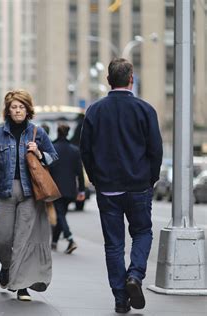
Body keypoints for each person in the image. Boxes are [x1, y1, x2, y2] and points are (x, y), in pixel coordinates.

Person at [80, 58, 163, 314]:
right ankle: (135, 276)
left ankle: (120, 298)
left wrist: (95, 178)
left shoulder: (95, 111)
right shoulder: (145, 110)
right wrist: (151, 179)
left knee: (114, 245)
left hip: (108, 189)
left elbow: (85, 150)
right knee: (142, 232)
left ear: (108, 80)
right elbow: (155, 150)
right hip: (138, 186)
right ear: (131, 79)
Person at [0, 89, 58, 301]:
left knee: (23, 241)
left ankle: (21, 286)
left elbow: (53, 157)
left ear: (28, 109)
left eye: (21, 107)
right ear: (8, 111)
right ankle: (5, 266)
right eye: (14, 107)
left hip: (30, 194)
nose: (18, 110)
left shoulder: (37, 133)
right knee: (2, 236)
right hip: (4, 193)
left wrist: (39, 153)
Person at [49, 123, 85, 254]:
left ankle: (70, 239)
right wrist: (81, 190)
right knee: (61, 214)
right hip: (70, 190)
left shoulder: (52, 148)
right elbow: (79, 172)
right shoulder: (75, 150)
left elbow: (48, 169)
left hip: (55, 188)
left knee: (60, 214)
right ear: (68, 133)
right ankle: (54, 242)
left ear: (58, 132)